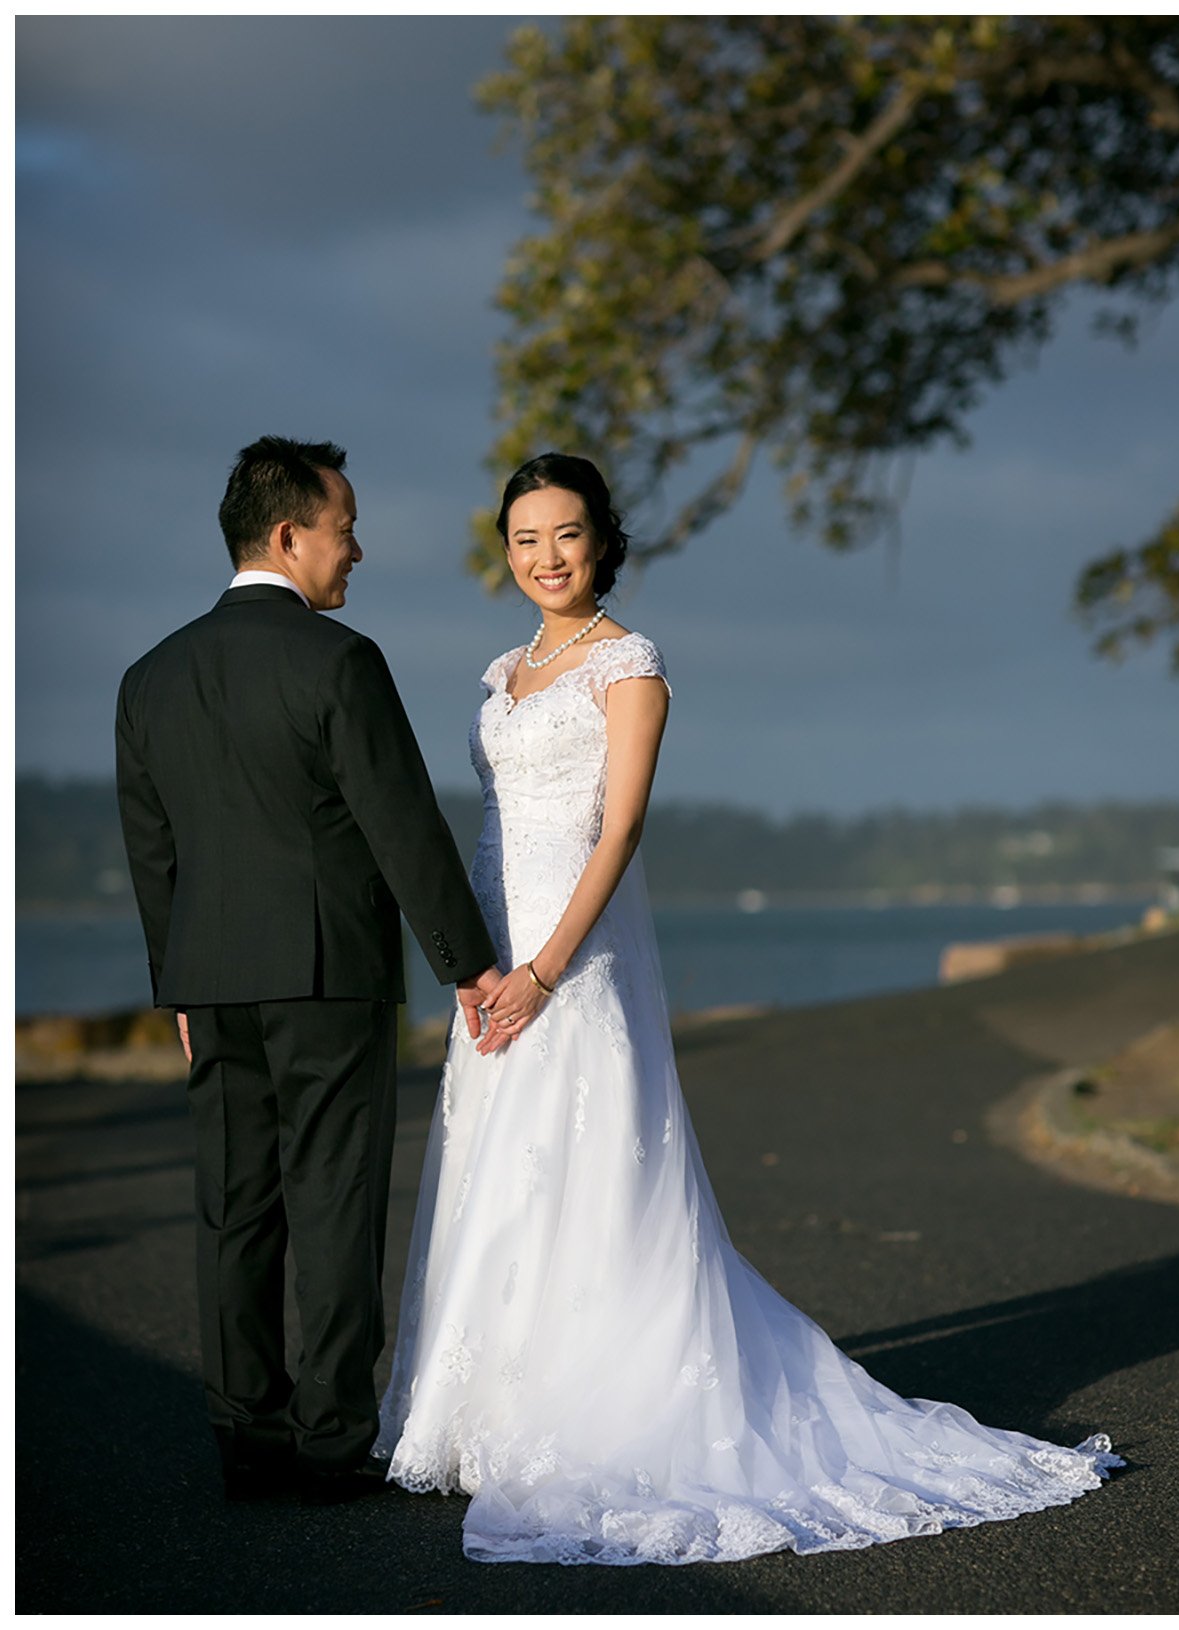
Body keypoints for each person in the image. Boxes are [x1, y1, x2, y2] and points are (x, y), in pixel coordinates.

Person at [376, 451, 1124, 1564]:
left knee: (583, 1170)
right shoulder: (502, 674)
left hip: (574, 963)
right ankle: (489, 1413)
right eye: (524, 538)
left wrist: (544, 970)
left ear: (603, 541)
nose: (545, 557)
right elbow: (489, 831)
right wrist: (478, 963)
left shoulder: (629, 666)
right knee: (498, 1163)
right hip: (493, 958)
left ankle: (592, 1411)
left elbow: (617, 831)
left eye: (566, 534)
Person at [115, 435, 502, 1503]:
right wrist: (467, 964)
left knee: (234, 1207)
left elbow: (155, 852)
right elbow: (402, 825)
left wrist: (175, 985)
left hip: (211, 978)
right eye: (346, 528)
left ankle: (246, 1435)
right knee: (332, 1200)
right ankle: (331, 1443)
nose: (358, 550)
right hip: (328, 974)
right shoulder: (340, 662)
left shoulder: (150, 677)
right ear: (289, 535)